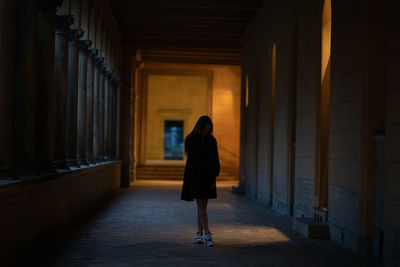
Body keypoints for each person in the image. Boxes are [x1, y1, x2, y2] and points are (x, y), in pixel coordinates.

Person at [181, 115, 220, 247]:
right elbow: (192, 161)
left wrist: (214, 177)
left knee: (203, 206)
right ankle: (208, 233)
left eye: (209, 129)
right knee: (200, 205)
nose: (206, 131)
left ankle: (199, 234)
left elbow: (215, 160)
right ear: (199, 127)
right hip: (195, 176)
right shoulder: (191, 139)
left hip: (208, 176)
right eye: (205, 129)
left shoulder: (212, 141)